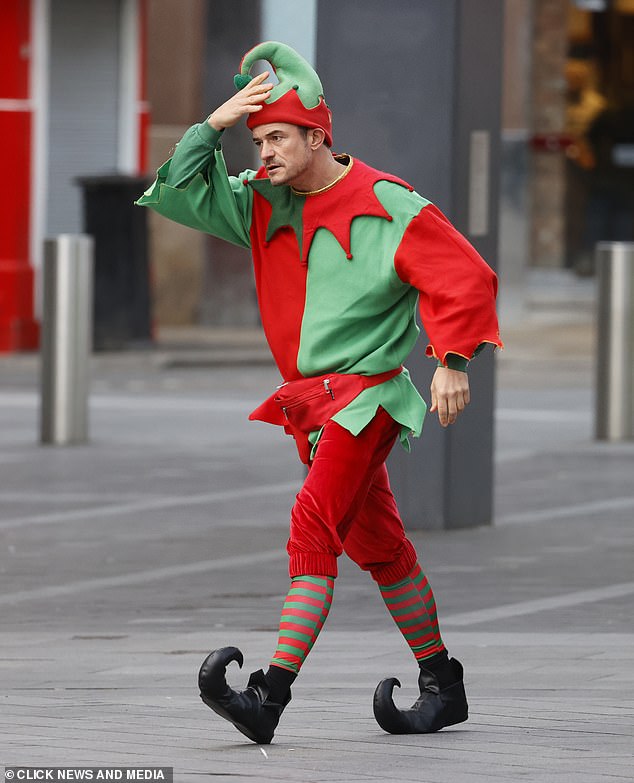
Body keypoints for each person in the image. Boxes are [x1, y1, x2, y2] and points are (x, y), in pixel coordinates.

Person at [137, 41, 502, 744]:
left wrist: (452, 359)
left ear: (317, 134)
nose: (265, 152)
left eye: (277, 138)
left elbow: (465, 276)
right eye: (259, 139)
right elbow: (179, 189)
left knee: (312, 530)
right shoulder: (257, 202)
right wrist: (213, 126)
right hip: (309, 406)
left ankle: (268, 695)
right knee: (383, 548)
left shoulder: (387, 201)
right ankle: (441, 682)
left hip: (366, 400)